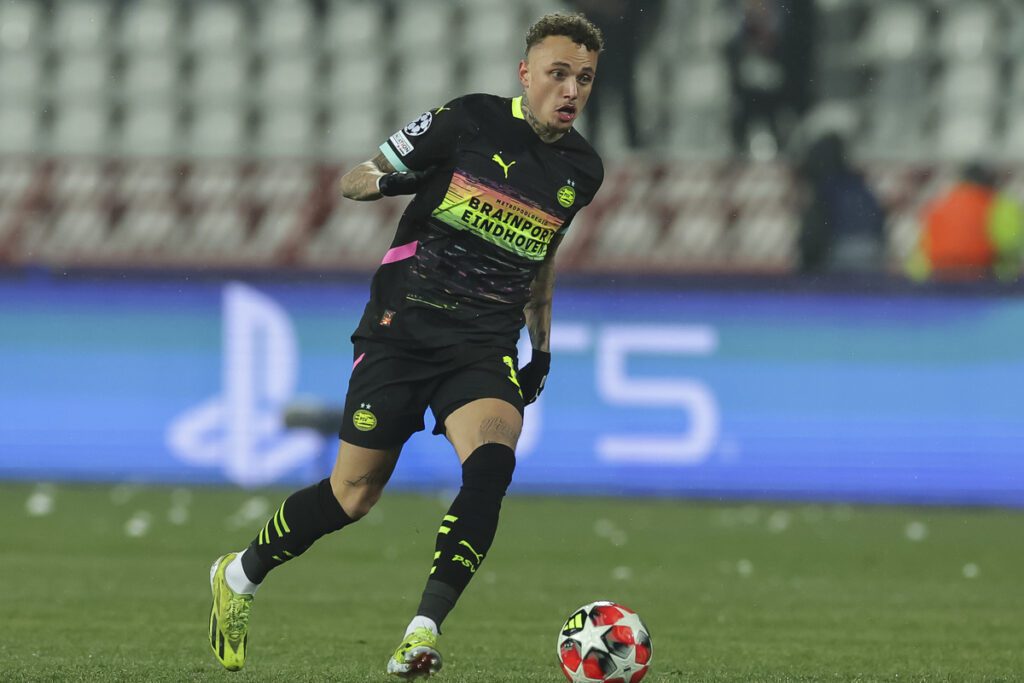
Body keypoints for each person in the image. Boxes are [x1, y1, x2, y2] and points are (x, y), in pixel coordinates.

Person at [207, 12, 605, 679]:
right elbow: (355, 178)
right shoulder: (467, 121)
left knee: (490, 465)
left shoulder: (582, 170)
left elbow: (544, 250)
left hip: (482, 343)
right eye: (558, 73)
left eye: (584, 79)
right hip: (403, 328)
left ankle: (421, 631)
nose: (570, 90)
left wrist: (541, 344)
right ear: (525, 74)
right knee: (352, 495)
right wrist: (404, 180)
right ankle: (238, 573)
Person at [907, 163, 1024, 282]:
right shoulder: (998, 204)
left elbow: (922, 249)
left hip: (940, 276)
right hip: (982, 275)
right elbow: (1009, 245)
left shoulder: (940, 203)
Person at [796, 131, 886, 274]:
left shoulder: (827, 187)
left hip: (843, 250)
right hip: (873, 248)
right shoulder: (858, 184)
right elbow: (879, 217)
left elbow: (815, 232)